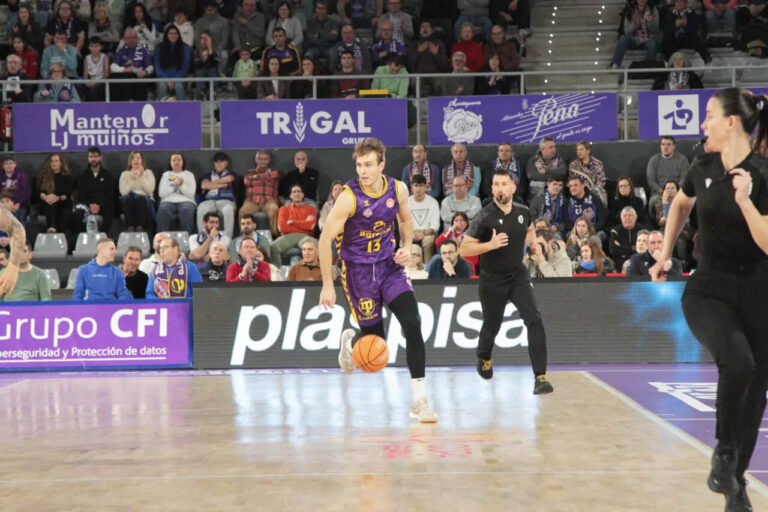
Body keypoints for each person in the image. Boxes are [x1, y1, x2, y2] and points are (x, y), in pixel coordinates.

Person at [649, 87, 768, 512]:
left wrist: (746, 201)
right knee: (739, 362)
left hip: (759, 292)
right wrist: (665, 253)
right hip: (709, 289)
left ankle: (735, 485)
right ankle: (723, 451)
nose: (703, 125)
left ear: (731, 122)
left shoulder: (764, 174)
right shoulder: (700, 164)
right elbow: (681, 205)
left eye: (709, 116)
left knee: (755, 394)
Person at [318, 137, 438, 423]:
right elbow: (325, 240)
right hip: (358, 273)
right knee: (376, 343)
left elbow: (406, 222)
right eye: (359, 165)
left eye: (369, 164)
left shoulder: (398, 189)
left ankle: (419, 400)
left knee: (412, 322)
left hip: (389, 267)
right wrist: (327, 284)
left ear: (381, 164)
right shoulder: (349, 196)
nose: (363, 170)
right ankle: (350, 343)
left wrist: (406, 247)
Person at [459, 167, 554, 394]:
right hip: (492, 279)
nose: (499, 188)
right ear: (491, 188)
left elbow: (529, 229)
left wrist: (532, 244)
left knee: (534, 319)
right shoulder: (484, 216)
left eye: (504, 184)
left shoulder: (523, 211)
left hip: (518, 275)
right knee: (492, 324)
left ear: (513, 188)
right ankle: (484, 357)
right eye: (496, 184)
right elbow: (464, 249)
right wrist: (489, 246)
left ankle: (540, 377)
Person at [72, 146, 116, 235]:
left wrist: (99, 206)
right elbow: (81, 194)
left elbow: (110, 194)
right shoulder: (82, 176)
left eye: (95, 156)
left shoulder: (108, 176)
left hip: (103, 206)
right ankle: (82, 239)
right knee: (77, 214)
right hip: (87, 206)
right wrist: (90, 206)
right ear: (88, 158)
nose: (93, 159)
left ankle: (103, 237)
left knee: (110, 210)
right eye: (91, 157)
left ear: (100, 158)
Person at [271, 184, 316, 264]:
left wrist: (292, 222)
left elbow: (310, 226)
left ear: (303, 195)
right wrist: (303, 224)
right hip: (288, 237)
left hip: (304, 236)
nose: (296, 193)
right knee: (273, 248)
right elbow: (281, 227)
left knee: (313, 247)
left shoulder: (311, 209)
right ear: (290, 196)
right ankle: (277, 273)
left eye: (299, 191)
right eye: (294, 192)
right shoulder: (283, 209)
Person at [647, 136, 690, 216]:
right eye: (663, 144)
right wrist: (663, 191)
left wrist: (674, 191)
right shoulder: (654, 160)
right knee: (653, 202)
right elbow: (651, 180)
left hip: (678, 191)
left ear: (674, 146)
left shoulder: (682, 160)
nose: (665, 147)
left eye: (668, 144)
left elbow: (684, 178)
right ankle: (657, 225)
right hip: (659, 192)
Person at [610, 0, 660, 68]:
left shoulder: (653, 10)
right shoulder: (630, 10)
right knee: (623, 38)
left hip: (648, 39)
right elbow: (626, 31)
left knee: (652, 44)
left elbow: (656, 29)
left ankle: (650, 67)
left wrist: (650, 23)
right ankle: (615, 63)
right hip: (634, 39)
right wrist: (634, 24)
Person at [197, 151, 237, 238]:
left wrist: (211, 185)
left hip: (226, 200)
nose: (219, 164)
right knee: (201, 208)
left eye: (221, 161)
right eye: (216, 161)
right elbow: (204, 185)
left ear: (226, 163)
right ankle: (202, 237)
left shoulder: (230, 173)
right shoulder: (208, 174)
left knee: (228, 209)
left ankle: (228, 239)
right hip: (210, 200)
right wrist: (222, 185)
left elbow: (229, 179)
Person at [240, 150, 280, 234]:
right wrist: (266, 178)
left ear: (269, 161)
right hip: (252, 201)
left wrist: (255, 177)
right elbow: (247, 182)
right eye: (260, 159)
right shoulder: (250, 172)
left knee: (274, 208)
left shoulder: (274, 171)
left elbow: (275, 175)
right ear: (256, 160)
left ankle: (272, 235)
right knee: (243, 211)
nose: (262, 161)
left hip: (269, 200)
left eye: (265, 159)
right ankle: (244, 235)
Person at [110, 28, 154, 101]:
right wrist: (124, 70)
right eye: (128, 38)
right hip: (125, 77)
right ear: (124, 39)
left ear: (137, 39)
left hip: (139, 77)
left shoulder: (144, 50)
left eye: (133, 38)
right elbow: (112, 66)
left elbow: (150, 66)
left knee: (142, 81)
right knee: (114, 77)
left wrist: (145, 72)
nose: (131, 40)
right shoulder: (121, 51)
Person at [156, 153, 196, 234]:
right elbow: (161, 194)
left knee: (186, 210)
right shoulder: (166, 175)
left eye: (179, 160)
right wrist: (174, 186)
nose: (176, 162)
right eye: (174, 160)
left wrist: (181, 186)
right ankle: (162, 240)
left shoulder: (189, 174)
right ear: (170, 162)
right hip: (168, 201)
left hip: (186, 201)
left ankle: (188, 239)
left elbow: (191, 194)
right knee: (163, 209)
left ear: (183, 162)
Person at [119, 151, 155, 233]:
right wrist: (132, 180)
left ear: (142, 160)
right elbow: (123, 192)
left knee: (140, 199)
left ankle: (140, 227)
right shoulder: (125, 174)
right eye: (133, 158)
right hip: (129, 199)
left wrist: (141, 176)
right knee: (127, 199)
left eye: (138, 158)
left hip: (144, 198)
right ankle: (130, 227)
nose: (136, 160)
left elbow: (150, 190)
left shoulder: (148, 173)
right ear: (130, 161)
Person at [37, 152, 73, 234]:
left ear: (61, 163)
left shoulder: (67, 177)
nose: (54, 163)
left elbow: (67, 193)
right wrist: (46, 197)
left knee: (64, 212)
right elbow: (40, 192)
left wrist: (58, 198)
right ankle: (51, 228)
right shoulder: (44, 176)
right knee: (50, 205)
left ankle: (59, 233)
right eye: (52, 161)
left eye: (56, 161)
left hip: (63, 203)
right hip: (47, 203)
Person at [154, 24, 191, 100]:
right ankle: (161, 109)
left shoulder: (185, 48)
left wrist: (175, 79)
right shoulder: (159, 48)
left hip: (179, 77)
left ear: (178, 35)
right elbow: (157, 66)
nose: (173, 36)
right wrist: (166, 79)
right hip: (163, 77)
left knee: (178, 87)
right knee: (162, 86)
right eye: (170, 34)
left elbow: (185, 68)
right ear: (166, 35)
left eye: (175, 33)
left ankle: (183, 109)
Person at [565, 176, 607, 241]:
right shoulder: (567, 202)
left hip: (593, 230)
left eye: (575, 185)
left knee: (599, 236)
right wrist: (578, 231)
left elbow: (602, 219)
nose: (572, 188)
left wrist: (591, 230)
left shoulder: (595, 199)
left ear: (583, 185)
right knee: (569, 235)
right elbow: (567, 222)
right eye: (570, 186)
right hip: (576, 231)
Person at [408, 174, 440, 262]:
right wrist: (411, 234)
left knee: (428, 242)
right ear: (411, 187)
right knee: (406, 241)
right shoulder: (406, 203)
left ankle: (427, 270)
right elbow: (403, 224)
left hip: (428, 233)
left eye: (421, 185)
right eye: (416, 186)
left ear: (425, 187)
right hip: (411, 233)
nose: (418, 189)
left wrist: (424, 233)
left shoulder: (433, 202)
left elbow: (435, 226)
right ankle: (409, 271)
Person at [525, 137, 568, 201]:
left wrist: (547, 171)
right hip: (536, 195)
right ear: (542, 149)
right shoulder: (533, 160)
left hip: (557, 196)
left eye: (554, 147)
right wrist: (553, 176)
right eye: (551, 147)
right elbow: (531, 175)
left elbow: (563, 171)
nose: (554, 149)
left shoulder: (559, 160)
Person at [568, 141, 607, 206]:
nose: (579, 152)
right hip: (580, 192)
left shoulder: (598, 164)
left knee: (601, 195)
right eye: (577, 150)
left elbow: (601, 181)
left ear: (588, 151)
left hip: (595, 192)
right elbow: (573, 181)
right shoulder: (573, 165)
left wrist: (593, 191)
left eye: (581, 149)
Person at [0, 156, 31, 224]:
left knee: (18, 219)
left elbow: (25, 192)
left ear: (15, 164)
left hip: (19, 205)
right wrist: (3, 205)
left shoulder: (22, 176)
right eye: (6, 163)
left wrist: (18, 203)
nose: (9, 165)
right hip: (2, 206)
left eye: (11, 163)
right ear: (2, 166)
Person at [82, 36, 109, 101]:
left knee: (95, 88)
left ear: (101, 47)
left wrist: (97, 82)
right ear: (89, 47)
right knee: (79, 86)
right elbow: (85, 73)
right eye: (92, 46)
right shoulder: (87, 58)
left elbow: (106, 73)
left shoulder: (105, 57)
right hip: (91, 80)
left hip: (102, 81)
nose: (94, 49)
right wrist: (86, 82)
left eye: (96, 46)